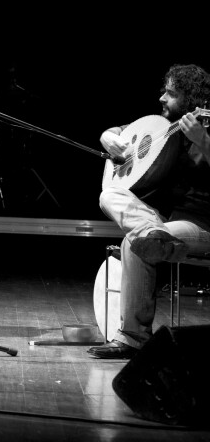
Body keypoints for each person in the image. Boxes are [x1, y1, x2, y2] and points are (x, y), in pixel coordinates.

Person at [90, 63, 210, 359]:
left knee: (135, 242)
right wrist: (109, 135)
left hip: (202, 225)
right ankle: (150, 232)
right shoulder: (167, 127)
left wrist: (204, 141)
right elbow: (126, 133)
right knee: (110, 195)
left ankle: (132, 338)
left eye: (170, 94)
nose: (162, 99)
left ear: (190, 99)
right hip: (163, 221)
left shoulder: (202, 128)